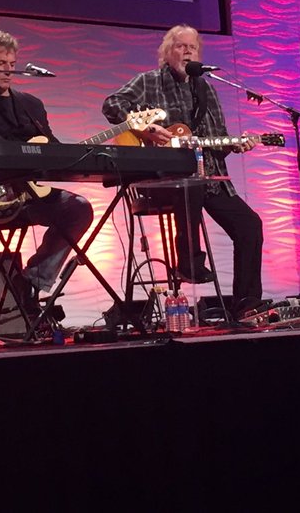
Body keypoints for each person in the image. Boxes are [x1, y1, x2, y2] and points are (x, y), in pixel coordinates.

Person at [102, 24, 266, 319]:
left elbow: (218, 140)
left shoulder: (207, 89)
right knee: (192, 183)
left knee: (250, 225)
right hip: (161, 178)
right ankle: (188, 261)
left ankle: (246, 302)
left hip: (208, 178)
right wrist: (146, 128)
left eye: (192, 47)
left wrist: (237, 145)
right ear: (167, 53)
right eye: (180, 46)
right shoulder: (149, 82)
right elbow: (111, 103)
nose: (187, 51)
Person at [0, 29, 93, 319]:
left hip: (25, 195)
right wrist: (24, 152)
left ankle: (30, 284)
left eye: (12, 64)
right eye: (1, 64)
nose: (9, 71)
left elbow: (51, 146)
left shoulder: (30, 105)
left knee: (79, 209)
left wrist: (75, 155)